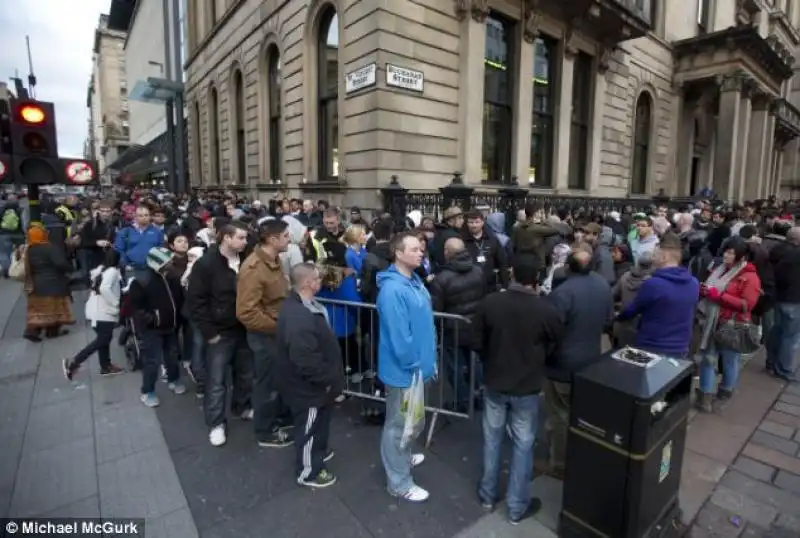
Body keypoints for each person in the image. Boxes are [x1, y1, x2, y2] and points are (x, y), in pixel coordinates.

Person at [472, 254, 563, 525]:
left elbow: (476, 341)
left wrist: (491, 359)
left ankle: (487, 496)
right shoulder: (545, 309)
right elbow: (556, 342)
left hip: (496, 381)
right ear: (536, 279)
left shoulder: (491, 303)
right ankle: (516, 507)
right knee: (523, 446)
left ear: (511, 274)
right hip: (527, 385)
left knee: (492, 439)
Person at [376, 231, 437, 502]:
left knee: (412, 420)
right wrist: (415, 366)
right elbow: (401, 338)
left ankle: (403, 457)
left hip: (415, 370)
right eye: (414, 249)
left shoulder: (413, 281)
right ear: (398, 254)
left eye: (421, 248)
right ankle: (399, 483)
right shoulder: (392, 290)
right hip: (405, 373)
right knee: (399, 426)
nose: (420, 252)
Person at [277, 263, 344, 488]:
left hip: (316, 385)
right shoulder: (299, 317)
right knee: (309, 428)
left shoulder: (302, 307)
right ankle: (308, 472)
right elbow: (305, 360)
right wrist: (326, 381)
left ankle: (319, 452)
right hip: (309, 388)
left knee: (318, 424)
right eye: (317, 278)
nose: (321, 281)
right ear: (307, 283)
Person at [189, 221, 254, 446]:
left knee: (245, 374)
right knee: (216, 381)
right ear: (226, 237)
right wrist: (210, 333)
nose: (245, 242)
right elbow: (196, 302)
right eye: (241, 238)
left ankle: (241, 407)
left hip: (244, 328)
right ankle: (216, 424)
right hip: (220, 332)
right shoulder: (206, 264)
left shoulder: (246, 260)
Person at [237, 219, 293, 448]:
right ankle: (265, 431)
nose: (290, 239)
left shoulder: (273, 259)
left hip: (276, 332)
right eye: (286, 236)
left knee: (278, 379)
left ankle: (278, 417)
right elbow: (247, 312)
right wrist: (276, 325)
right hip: (265, 335)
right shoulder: (253, 268)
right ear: (273, 239)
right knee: (266, 384)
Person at [695, 238, 761, 412]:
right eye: (726, 251)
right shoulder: (720, 269)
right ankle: (705, 396)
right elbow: (711, 288)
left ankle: (725, 392)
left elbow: (747, 304)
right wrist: (704, 291)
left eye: (731, 252)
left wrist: (718, 296)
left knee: (730, 360)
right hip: (712, 320)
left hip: (732, 324)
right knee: (708, 358)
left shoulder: (750, 276)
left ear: (741, 256)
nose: (727, 255)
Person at [128, 246, 186, 407]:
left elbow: (179, 298)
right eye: (167, 261)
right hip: (151, 329)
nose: (171, 263)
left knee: (172, 356)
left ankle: (173, 379)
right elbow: (136, 308)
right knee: (152, 361)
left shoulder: (172, 277)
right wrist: (152, 319)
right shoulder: (141, 281)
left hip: (171, 325)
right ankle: (148, 391)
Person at [63, 249, 125, 379]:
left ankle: (106, 366)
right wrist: (116, 303)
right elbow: (104, 288)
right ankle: (74, 362)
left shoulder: (102, 269)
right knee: (102, 340)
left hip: (96, 310)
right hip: (104, 312)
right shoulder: (112, 272)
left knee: (104, 340)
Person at [23, 224, 75, 342]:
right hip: (53, 283)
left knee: (38, 310)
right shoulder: (50, 248)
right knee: (55, 309)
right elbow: (61, 263)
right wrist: (70, 269)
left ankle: (32, 330)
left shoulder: (29, 249)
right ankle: (52, 332)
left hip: (36, 284)